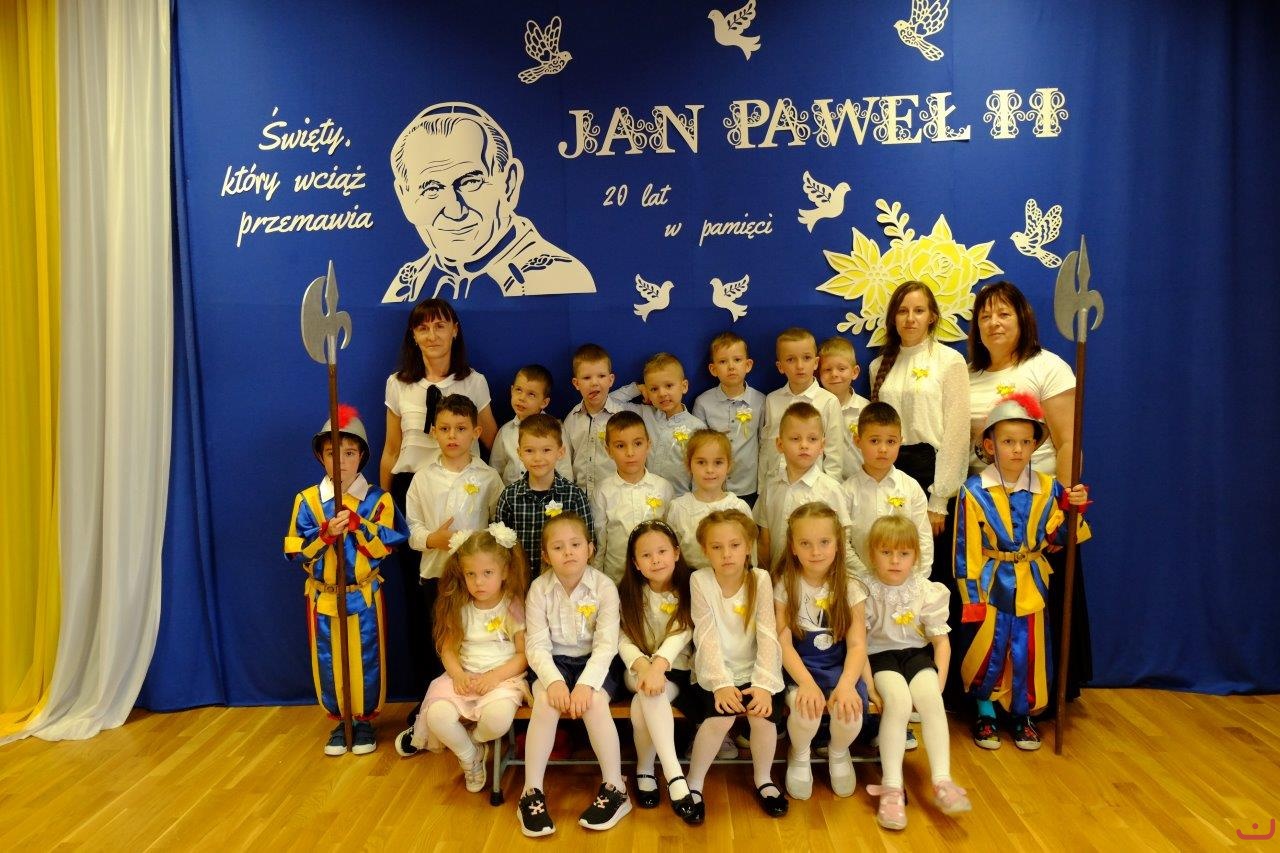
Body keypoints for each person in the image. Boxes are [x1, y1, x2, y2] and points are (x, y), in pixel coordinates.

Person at [967, 280, 1091, 707]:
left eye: (1003, 313)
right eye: (985, 316)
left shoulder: (1047, 366)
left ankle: (1038, 694)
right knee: (990, 608)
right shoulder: (968, 375)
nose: (994, 323)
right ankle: (987, 693)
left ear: (1022, 319)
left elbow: (1068, 440)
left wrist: (1066, 504)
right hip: (986, 512)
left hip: (1038, 510)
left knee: (1038, 611)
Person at [956, 393, 1091, 751]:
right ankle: (985, 711)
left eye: (1025, 442)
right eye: (1007, 441)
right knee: (987, 648)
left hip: (1031, 582)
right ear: (990, 445)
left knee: (1027, 650)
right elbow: (965, 549)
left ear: (1034, 445)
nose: (1017, 449)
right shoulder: (973, 491)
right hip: (990, 582)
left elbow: (1059, 538)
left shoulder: (1048, 488)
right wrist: (972, 596)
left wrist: (1073, 508)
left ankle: (1022, 714)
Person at [381, 298, 498, 699]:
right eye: (422, 328)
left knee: (474, 594)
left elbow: (492, 439)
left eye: (439, 326)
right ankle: (428, 697)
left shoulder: (474, 381)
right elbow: (392, 448)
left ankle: (475, 687)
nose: (432, 335)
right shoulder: (398, 384)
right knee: (422, 601)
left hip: (468, 493)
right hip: (417, 495)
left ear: (454, 330)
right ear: (413, 336)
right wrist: (383, 507)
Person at [284, 405, 408, 756]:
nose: (340, 461)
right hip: (323, 595)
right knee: (329, 659)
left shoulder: (377, 500)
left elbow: (389, 544)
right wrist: (324, 535)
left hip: (363, 593)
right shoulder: (308, 501)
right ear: (320, 457)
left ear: (362, 456)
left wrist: (358, 526)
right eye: (332, 453)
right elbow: (295, 550)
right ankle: (342, 721)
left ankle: (364, 721)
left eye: (350, 453)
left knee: (366, 656)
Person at [386, 101, 595, 302]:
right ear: (405, 198)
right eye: (431, 189)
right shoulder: (406, 288)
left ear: (509, 183)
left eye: (470, 182)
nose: (454, 210)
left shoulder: (561, 278)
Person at [395, 524, 529, 797]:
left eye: (487, 573)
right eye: (471, 574)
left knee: (498, 720)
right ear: (462, 573)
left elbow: (523, 655)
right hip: (464, 675)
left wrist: (494, 677)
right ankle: (470, 756)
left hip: (501, 679)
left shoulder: (512, 605)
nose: (479, 582)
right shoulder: (458, 606)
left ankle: (474, 739)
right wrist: (457, 675)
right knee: (436, 715)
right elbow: (448, 649)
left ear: (504, 572)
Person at [518, 513, 630, 837]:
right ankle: (531, 792)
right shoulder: (539, 589)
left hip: (595, 661)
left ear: (590, 549)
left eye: (575, 544)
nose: (568, 552)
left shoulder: (604, 587)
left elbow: (607, 644)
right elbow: (536, 645)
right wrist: (554, 681)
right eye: (558, 547)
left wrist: (585, 685)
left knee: (595, 703)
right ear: (545, 555)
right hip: (554, 662)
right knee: (544, 703)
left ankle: (615, 787)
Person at [862, 515, 970, 830]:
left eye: (904, 553)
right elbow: (858, 644)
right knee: (896, 702)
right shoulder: (864, 589)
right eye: (886, 552)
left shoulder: (926, 590)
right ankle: (892, 788)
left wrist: (939, 684)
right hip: (878, 656)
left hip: (916, 654)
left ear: (915, 556)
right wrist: (869, 687)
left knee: (931, 701)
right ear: (872, 554)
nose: (895, 561)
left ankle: (943, 781)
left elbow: (941, 643)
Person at [684, 510, 787, 821]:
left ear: (748, 547)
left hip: (756, 669)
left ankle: (764, 779)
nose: (726, 554)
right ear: (705, 550)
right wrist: (721, 683)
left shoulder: (760, 579)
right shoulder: (700, 580)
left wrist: (764, 684)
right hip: (714, 670)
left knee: (762, 718)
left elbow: (768, 634)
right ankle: (694, 782)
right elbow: (706, 636)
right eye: (717, 547)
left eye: (734, 545)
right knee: (721, 719)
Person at [404, 395, 503, 687]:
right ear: (434, 432)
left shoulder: (489, 478)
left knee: (475, 639)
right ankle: (437, 699)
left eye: (461, 429)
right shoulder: (422, 478)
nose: (452, 436)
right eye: (445, 429)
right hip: (436, 574)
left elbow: (499, 527)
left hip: (478, 578)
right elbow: (411, 528)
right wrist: (432, 539)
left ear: (476, 432)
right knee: (439, 640)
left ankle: (477, 693)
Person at [773, 503, 868, 800]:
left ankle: (838, 753)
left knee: (849, 710)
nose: (816, 551)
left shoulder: (851, 588)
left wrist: (847, 685)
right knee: (807, 708)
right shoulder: (785, 586)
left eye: (824, 542)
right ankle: (800, 753)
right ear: (793, 547)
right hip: (799, 667)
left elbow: (857, 645)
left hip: (839, 668)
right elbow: (783, 643)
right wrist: (806, 683)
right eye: (805, 543)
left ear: (838, 544)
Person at [867, 282, 968, 540]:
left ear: (932, 316)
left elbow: (957, 433)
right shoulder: (878, 366)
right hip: (889, 469)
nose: (910, 318)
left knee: (929, 556)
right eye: (902, 311)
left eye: (919, 311)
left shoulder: (949, 361)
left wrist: (939, 499)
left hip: (930, 472)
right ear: (893, 317)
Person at [617, 520, 701, 824]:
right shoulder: (627, 593)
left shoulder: (691, 587)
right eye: (646, 555)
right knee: (646, 687)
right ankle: (675, 775)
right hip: (636, 668)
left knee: (647, 698)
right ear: (635, 563)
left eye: (662, 551)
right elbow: (621, 638)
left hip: (675, 670)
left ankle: (645, 768)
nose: (656, 560)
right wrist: (644, 666)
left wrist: (659, 666)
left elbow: (684, 631)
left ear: (676, 553)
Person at [753, 402, 852, 571]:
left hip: (819, 580)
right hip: (778, 579)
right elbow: (765, 541)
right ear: (780, 444)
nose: (804, 445)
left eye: (812, 439)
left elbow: (841, 543)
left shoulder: (831, 490)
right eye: (795, 438)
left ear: (822, 446)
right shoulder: (771, 488)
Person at [495, 413, 594, 578]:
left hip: (563, 583)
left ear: (560, 452)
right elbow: (500, 546)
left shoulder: (574, 496)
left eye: (546, 450)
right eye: (529, 450)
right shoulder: (509, 497)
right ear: (519, 453)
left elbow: (588, 544)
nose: (538, 458)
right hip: (521, 582)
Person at [842, 402, 933, 577]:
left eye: (891, 441)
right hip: (861, 581)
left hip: (906, 581)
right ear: (858, 441)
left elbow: (923, 539)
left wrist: (916, 579)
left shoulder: (911, 488)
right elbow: (843, 543)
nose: (883, 449)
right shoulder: (847, 491)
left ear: (900, 441)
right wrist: (865, 577)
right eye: (874, 441)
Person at [759, 327, 846, 496]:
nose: (800, 366)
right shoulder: (772, 400)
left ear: (816, 362)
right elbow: (767, 447)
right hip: (777, 488)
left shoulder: (828, 402)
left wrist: (829, 494)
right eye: (791, 359)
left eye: (806, 358)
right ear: (780, 366)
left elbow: (834, 454)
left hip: (814, 491)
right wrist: (763, 489)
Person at [591, 411, 675, 582]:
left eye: (637, 443)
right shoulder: (602, 491)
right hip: (617, 578)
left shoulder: (663, 487)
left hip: (656, 577)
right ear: (608, 450)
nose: (630, 453)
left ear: (648, 445)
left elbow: (671, 536)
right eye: (620, 446)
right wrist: (597, 580)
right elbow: (600, 541)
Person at [616, 353, 707, 495]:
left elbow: (702, 470)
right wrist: (637, 389)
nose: (662, 393)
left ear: (684, 386)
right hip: (643, 497)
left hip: (680, 498)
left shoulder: (697, 428)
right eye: (654, 389)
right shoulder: (643, 414)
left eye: (669, 385)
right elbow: (609, 403)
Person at [692, 332, 766, 505]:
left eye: (737, 360)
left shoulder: (760, 401)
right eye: (723, 362)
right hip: (713, 486)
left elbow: (764, 442)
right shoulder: (703, 402)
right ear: (713, 369)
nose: (731, 366)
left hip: (748, 487)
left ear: (748, 365)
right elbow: (697, 446)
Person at [666, 429, 752, 571]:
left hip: (733, 580)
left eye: (718, 462)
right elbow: (672, 555)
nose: (710, 470)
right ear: (689, 465)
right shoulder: (678, 508)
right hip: (690, 579)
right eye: (701, 462)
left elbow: (750, 557)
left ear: (729, 465)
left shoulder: (739, 507)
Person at [563, 343, 637, 500]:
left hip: (615, 498)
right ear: (576, 383)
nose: (594, 383)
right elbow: (566, 461)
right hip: (580, 498)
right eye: (587, 378)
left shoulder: (621, 417)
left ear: (611, 380)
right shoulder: (572, 419)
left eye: (601, 376)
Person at [490, 364, 573, 486]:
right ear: (511, 390)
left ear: (544, 402)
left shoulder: (556, 430)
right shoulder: (505, 431)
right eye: (518, 390)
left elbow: (565, 472)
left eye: (531, 394)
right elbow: (495, 471)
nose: (522, 398)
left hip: (549, 496)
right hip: (512, 496)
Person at [818, 335, 869, 475]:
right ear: (819, 374)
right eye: (827, 370)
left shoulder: (866, 410)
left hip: (860, 481)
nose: (834, 374)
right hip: (825, 481)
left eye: (841, 369)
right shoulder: (815, 408)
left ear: (854, 372)